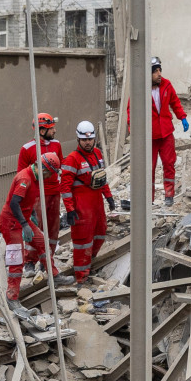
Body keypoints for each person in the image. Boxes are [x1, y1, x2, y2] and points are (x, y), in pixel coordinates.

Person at [125, 57, 188, 204]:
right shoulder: (140, 89)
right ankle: (149, 199)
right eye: (155, 71)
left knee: (169, 164)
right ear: (148, 74)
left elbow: (175, 102)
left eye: (160, 70)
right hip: (149, 136)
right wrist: (132, 130)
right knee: (149, 168)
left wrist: (182, 117)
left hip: (166, 133)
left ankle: (169, 195)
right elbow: (131, 111)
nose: (159, 74)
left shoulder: (166, 85)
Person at [58, 121, 110, 285]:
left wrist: (108, 196)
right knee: (83, 242)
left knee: (101, 234)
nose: (88, 142)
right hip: (81, 207)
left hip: (97, 204)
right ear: (78, 140)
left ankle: (89, 263)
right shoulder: (72, 160)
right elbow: (65, 187)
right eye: (84, 140)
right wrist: (70, 209)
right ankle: (81, 277)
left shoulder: (97, 153)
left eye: (90, 139)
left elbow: (102, 177)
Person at [0, 153, 51, 302]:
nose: (48, 178)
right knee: (16, 261)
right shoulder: (25, 178)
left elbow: (27, 200)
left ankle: (55, 275)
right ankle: (11, 297)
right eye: (49, 174)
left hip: (23, 219)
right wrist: (24, 224)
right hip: (11, 222)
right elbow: (14, 203)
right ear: (44, 169)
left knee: (42, 242)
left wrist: (31, 214)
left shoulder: (35, 178)